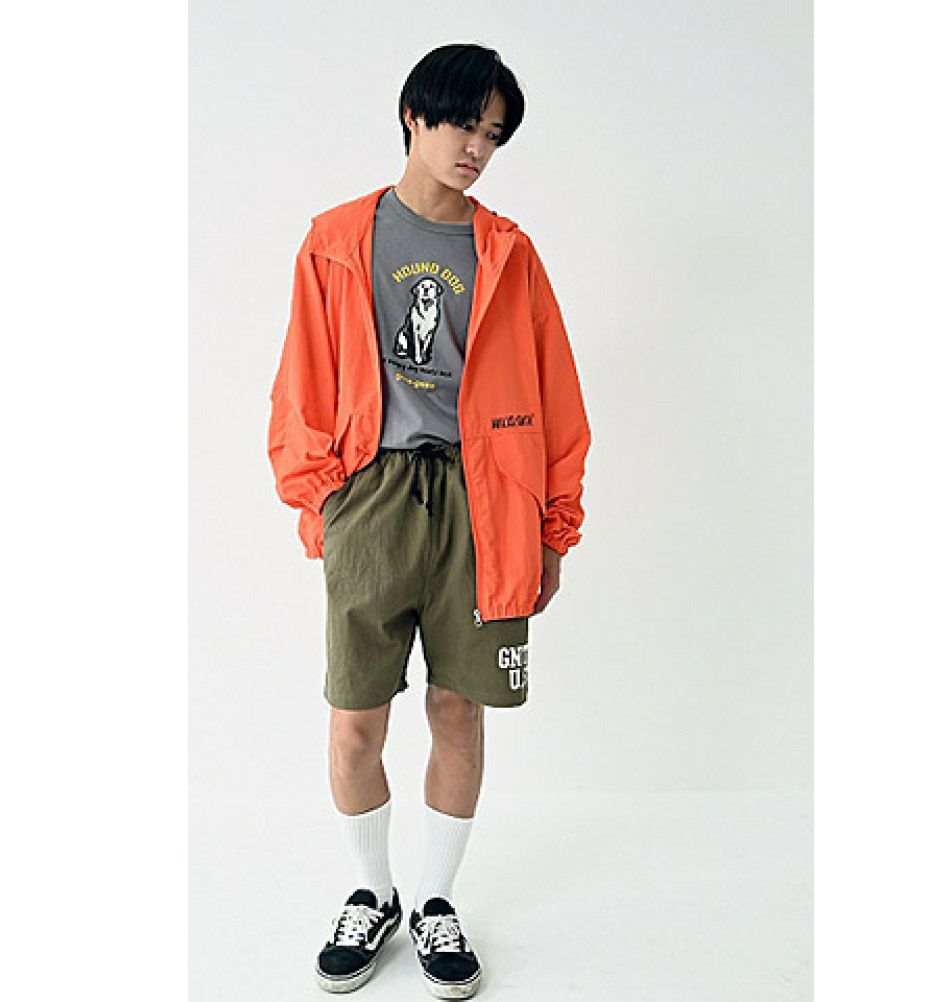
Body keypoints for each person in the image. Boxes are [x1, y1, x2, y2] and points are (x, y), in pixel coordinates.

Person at [267, 42, 590, 998]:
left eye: (493, 135)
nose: (476, 149)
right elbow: (300, 383)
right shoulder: (337, 239)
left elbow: (557, 397)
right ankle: (373, 893)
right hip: (372, 494)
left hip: (486, 502)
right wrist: (324, 501)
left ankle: (438, 903)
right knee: (354, 720)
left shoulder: (509, 252)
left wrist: (552, 529)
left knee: (459, 708)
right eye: (462, 124)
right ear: (415, 115)